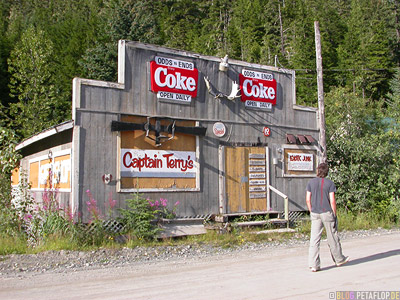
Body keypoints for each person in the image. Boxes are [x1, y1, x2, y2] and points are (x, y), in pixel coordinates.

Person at [306, 162, 349, 272]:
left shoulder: (311, 183)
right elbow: (332, 201)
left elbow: (307, 199)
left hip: (315, 213)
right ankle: (339, 259)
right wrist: (334, 214)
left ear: (317, 171)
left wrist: (311, 210)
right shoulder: (330, 184)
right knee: (332, 237)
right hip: (326, 212)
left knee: (314, 239)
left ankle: (314, 265)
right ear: (327, 172)